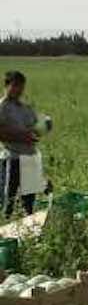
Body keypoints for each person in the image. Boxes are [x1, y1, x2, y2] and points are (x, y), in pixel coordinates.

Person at [0, 71, 48, 216]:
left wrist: (44, 126)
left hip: (30, 157)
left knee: (29, 203)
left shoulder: (25, 108)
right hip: (12, 158)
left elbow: (35, 128)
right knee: (8, 200)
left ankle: (28, 231)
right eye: (15, 85)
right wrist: (22, 136)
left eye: (21, 86)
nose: (19, 89)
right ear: (7, 86)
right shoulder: (2, 107)